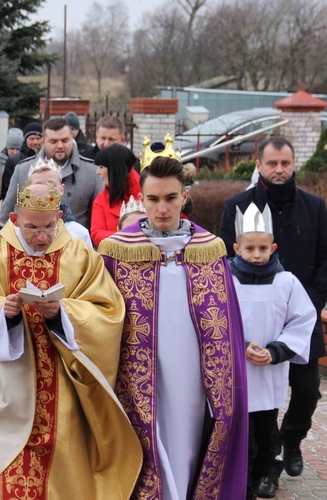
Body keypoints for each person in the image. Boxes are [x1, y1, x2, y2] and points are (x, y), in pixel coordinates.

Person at [0, 181, 142, 498]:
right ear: (13, 220)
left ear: (59, 216)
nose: (41, 235)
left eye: (49, 226)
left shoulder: (81, 255)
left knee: (61, 476)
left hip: (63, 388)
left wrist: (63, 314)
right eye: (32, 227)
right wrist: (0, 312)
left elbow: (108, 313)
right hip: (3, 386)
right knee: (2, 472)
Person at [98, 151, 248, 499]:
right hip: (135, 376)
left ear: (185, 197)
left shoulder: (210, 250)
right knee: (145, 446)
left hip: (192, 374)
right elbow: (99, 317)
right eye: (153, 199)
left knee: (186, 444)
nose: (162, 209)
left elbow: (227, 327)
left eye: (170, 199)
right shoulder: (116, 250)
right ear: (142, 198)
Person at [219, 137, 327, 496]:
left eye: (285, 163)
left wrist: (304, 310)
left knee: (306, 392)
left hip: (298, 319)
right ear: (259, 163)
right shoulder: (237, 205)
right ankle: (266, 467)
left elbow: (326, 261)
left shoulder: (314, 207)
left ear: (293, 163)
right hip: (248, 332)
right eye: (272, 163)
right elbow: (223, 262)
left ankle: (292, 439)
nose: (279, 170)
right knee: (256, 406)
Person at [229, 202, 315, 500]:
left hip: (268, 372)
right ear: (236, 248)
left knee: (266, 430)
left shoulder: (286, 282)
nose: (256, 254)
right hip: (236, 371)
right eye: (250, 248)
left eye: (263, 248)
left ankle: (267, 473)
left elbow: (302, 320)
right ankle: (243, 481)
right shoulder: (226, 281)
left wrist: (276, 351)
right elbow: (213, 316)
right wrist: (239, 346)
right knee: (242, 434)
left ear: (273, 247)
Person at [0, 118, 102, 229]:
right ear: (43, 142)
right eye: (54, 141)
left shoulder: (92, 173)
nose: (60, 146)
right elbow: (6, 218)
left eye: (65, 140)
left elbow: (97, 222)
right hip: (31, 242)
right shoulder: (22, 170)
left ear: (72, 139)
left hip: (75, 242)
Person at [27, 158, 93, 248]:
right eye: (39, 184)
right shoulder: (16, 232)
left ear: (62, 189)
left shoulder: (78, 233)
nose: (45, 190)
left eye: (51, 185)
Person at [91, 144, 141, 246]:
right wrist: (130, 236)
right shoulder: (101, 199)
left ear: (115, 168)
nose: (98, 172)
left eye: (101, 167)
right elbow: (96, 234)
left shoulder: (147, 194)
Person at [0, 122, 43, 200]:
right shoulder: (13, 160)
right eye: (31, 139)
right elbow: (7, 187)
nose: (35, 142)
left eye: (38, 138)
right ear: (25, 140)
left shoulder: (48, 158)